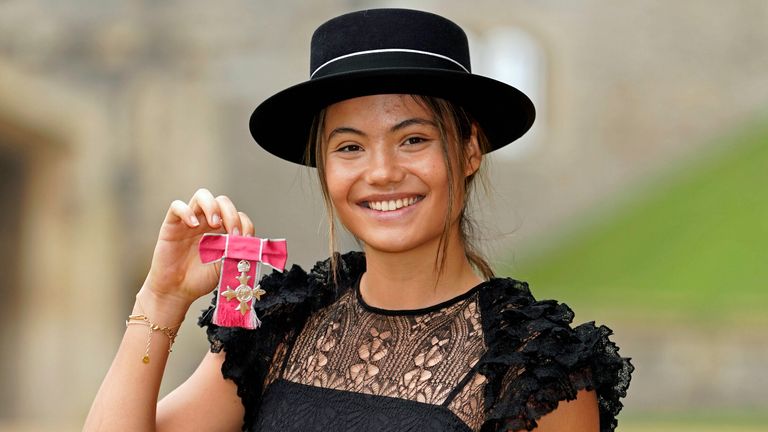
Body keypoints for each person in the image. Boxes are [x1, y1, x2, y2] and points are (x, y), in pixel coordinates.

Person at [84, 8, 632, 432]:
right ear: (324, 167)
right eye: (349, 147)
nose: (383, 172)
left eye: (412, 139)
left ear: (468, 151)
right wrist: (161, 298)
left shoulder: (533, 367)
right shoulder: (282, 324)